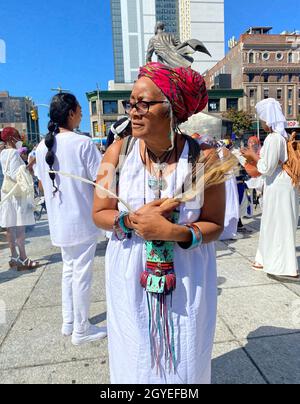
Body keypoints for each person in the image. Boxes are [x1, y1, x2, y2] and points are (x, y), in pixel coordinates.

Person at [93, 62, 227, 384]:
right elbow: (99, 211)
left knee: (187, 356)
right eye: (131, 103)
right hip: (129, 277)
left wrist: (175, 232)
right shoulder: (117, 153)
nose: (133, 111)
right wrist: (132, 221)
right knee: (134, 358)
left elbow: (215, 223)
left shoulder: (204, 159)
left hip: (186, 278)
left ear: (172, 109)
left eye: (144, 103)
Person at [35, 93, 107, 345]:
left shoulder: (42, 146)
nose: (82, 114)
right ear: (70, 113)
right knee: (81, 274)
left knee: (69, 270)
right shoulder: (82, 143)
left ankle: (69, 322)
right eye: (79, 109)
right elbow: (103, 180)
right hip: (81, 220)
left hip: (59, 221)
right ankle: (81, 329)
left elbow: (43, 183)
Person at [242, 98, 299, 280]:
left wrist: (251, 155)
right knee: (271, 223)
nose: (261, 122)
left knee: (280, 224)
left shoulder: (274, 138)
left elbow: (266, 167)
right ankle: (264, 259)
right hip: (277, 186)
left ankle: (286, 266)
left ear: (268, 119)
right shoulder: (278, 137)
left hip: (280, 187)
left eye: (262, 119)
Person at [0, 127, 37, 269]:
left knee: (10, 226)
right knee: (20, 227)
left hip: (7, 192)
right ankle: (23, 259)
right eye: (16, 136)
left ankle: (14, 257)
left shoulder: (3, 153)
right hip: (16, 195)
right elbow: (18, 175)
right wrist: (31, 164)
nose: (19, 140)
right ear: (10, 139)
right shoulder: (14, 154)